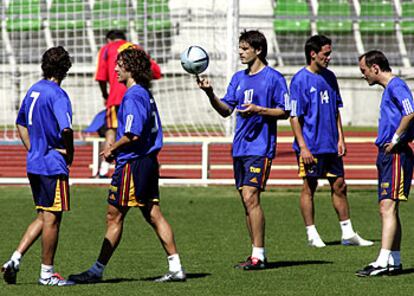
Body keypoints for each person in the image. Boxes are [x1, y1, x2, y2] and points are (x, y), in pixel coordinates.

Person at [68, 48, 185, 283]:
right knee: (152, 213)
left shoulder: (132, 95)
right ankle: (176, 267)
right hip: (147, 161)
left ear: (130, 68)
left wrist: (113, 148)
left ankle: (96, 270)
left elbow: (133, 133)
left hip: (133, 164)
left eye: (120, 65)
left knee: (115, 216)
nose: (115, 69)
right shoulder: (144, 93)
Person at [198, 30, 290, 270]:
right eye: (239, 48)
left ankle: (259, 255)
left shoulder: (274, 78)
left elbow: (286, 111)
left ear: (258, 50)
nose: (240, 52)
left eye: (244, 48)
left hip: (261, 147)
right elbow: (226, 110)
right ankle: (256, 254)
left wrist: (260, 110)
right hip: (240, 147)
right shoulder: (238, 78)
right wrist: (209, 93)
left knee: (251, 196)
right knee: (245, 201)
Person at [289, 35, 373, 248]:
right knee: (310, 186)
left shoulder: (330, 77)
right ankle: (311, 234)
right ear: (313, 54)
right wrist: (303, 147)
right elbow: (294, 117)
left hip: (330, 145)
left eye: (329, 53)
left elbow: (335, 110)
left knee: (340, 185)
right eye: (326, 54)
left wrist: (341, 139)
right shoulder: (299, 80)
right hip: (311, 146)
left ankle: (348, 233)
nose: (329, 57)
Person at [1, 46, 75, 286]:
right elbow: (66, 129)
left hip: (34, 163)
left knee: (43, 215)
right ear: (65, 69)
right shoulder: (58, 95)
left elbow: (20, 123)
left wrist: (33, 148)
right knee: (53, 219)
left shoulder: (34, 89)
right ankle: (47, 273)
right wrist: (70, 153)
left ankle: (14, 259)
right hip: (52, 165)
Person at [356, 50, 414, 277]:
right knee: (389, 208)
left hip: (396, 153)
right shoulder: (391, 88)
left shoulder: (396, 86)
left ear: (375, 68)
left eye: (364, 70)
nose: (363, 75)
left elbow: (410, 111)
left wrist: (396, 138)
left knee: (387, 207)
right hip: (388, 154)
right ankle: (394, 260)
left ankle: (382, 261)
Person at [95, 29, 161, 177]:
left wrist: (105, 94)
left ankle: (104, 169)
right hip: (148, 158)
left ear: (109, 40)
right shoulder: (136, 49)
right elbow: (156, 71)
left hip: (115, 98)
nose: (115, 69)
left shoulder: (106, 49)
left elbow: (100, 76)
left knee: (112, 131)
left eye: (118, 65)